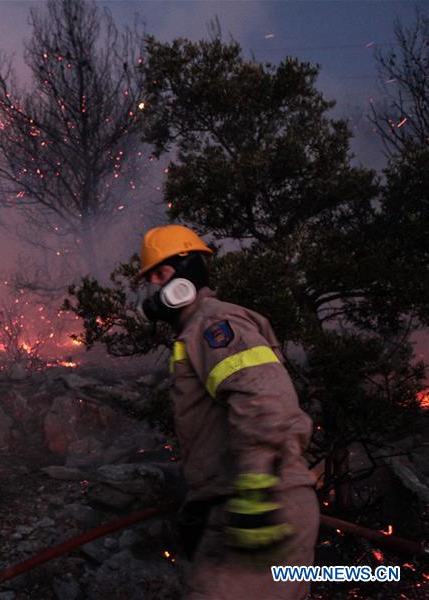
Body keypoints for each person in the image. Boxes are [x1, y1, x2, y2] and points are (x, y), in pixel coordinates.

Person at [137, 224, 318, 599]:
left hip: (260, 507)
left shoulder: (214, 325)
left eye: (161, 274)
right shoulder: (197, 331)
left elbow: (264, 399)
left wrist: (253, 490)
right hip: (262, 504)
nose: (154, 288)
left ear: (186, 275)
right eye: (150, 278)